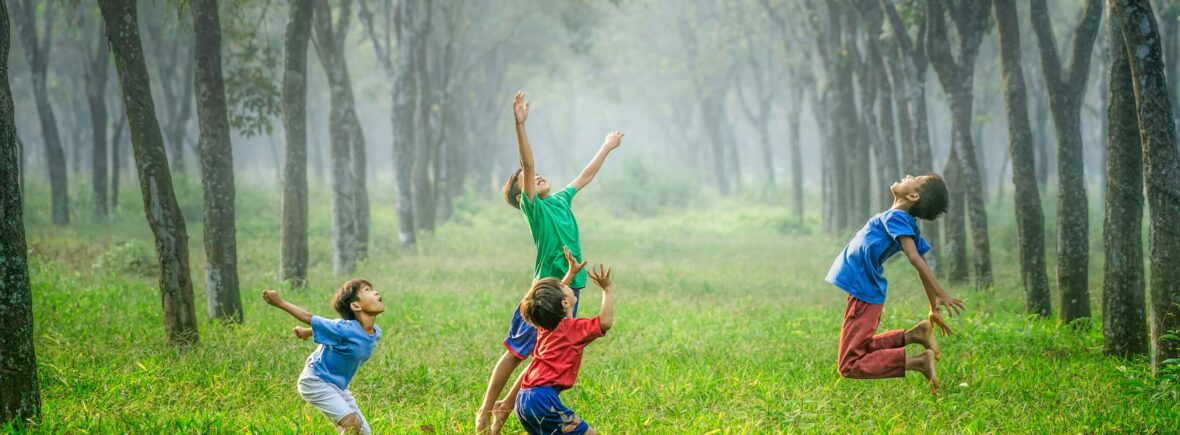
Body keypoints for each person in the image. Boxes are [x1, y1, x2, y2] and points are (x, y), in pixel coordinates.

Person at [475, 91, 624, 433]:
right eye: (526, 179)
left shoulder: (559, 200)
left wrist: (606, 146)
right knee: (517, 353)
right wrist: (520, 124)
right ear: (520, 193)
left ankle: (505, 409)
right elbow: (527, 164)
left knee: (545, 352)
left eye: (536, 175)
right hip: (544, 292)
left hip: (571, 288)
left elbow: (585, 176)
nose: (536, 175)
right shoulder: (534, 208)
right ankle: (486, 410)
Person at [825, 174, 964, 394]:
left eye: (915, 178)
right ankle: (914, 335)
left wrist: (941, 293)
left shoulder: (898, 217)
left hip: (864, 291)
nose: (909, 175)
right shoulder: (901, 220)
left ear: (912, 195)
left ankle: (918, 363)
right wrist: (933, 306)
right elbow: (921, 262)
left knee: (849, 364)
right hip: (863, 290)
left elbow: (915, 258)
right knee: (861, 348)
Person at [262, 280, 384, 434]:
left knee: (363, 432)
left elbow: (332, 329)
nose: (376, 292)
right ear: (356, 306)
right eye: (367, 290)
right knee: (351, 424)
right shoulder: (344, 329)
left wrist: (307, 332)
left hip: (339, 387)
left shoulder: (375, 332)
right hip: (316, 381)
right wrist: (280, 302)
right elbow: (310, 317)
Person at [515, 263, 615, 435]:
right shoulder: (572, 329)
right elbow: (605, 322)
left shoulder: (546, 326)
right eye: (563, 286)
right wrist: (607, 289)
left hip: (524, 399)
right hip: (542, 400)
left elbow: (552, 302)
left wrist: (570, 274)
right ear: (565, 302)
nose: (565, 285)